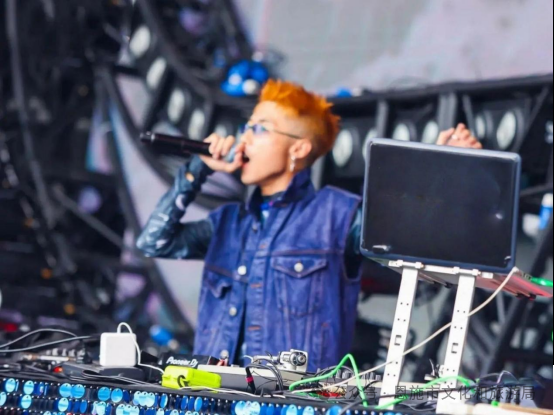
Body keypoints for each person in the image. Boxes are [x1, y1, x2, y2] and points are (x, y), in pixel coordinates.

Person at [137, 80, 482, 371]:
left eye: (259, 129)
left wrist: (439, 169)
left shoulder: (337, 215)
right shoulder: (228, 222)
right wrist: (197, 170)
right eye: (245, 127)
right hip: (212, 398)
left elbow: (407, 234)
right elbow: (153, 242)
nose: (244, 139)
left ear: (299, 149)